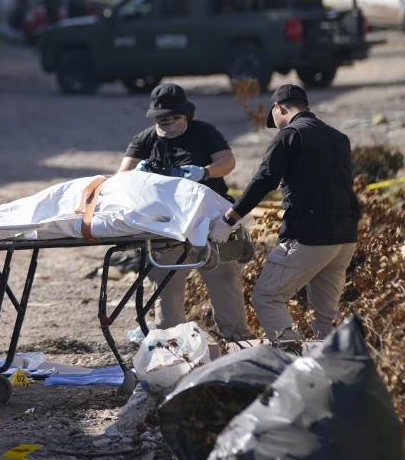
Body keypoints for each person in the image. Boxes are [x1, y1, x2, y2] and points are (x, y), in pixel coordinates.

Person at [221, 84, 360, 346]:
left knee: (266, 296)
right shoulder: (338, 137)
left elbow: (264, 180)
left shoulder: (290, 135)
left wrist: (230, 218)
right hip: (345, 237)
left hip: (310, 236)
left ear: (279, 108)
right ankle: (332, 371)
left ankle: (293, 357)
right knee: (326, 315)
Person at [118, 82, 250, 341]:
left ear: (185, 115)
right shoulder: (146, 139)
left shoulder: (204, 133)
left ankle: (236, 341)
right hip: (166, 224)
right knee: (166, 285)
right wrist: (137, 174)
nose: (163, 124)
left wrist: (206, 172)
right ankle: (172, 344)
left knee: (224, 280)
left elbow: (228, 161)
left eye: (169, 119)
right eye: (159, 119)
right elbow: (121, 177)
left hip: (209, 222)